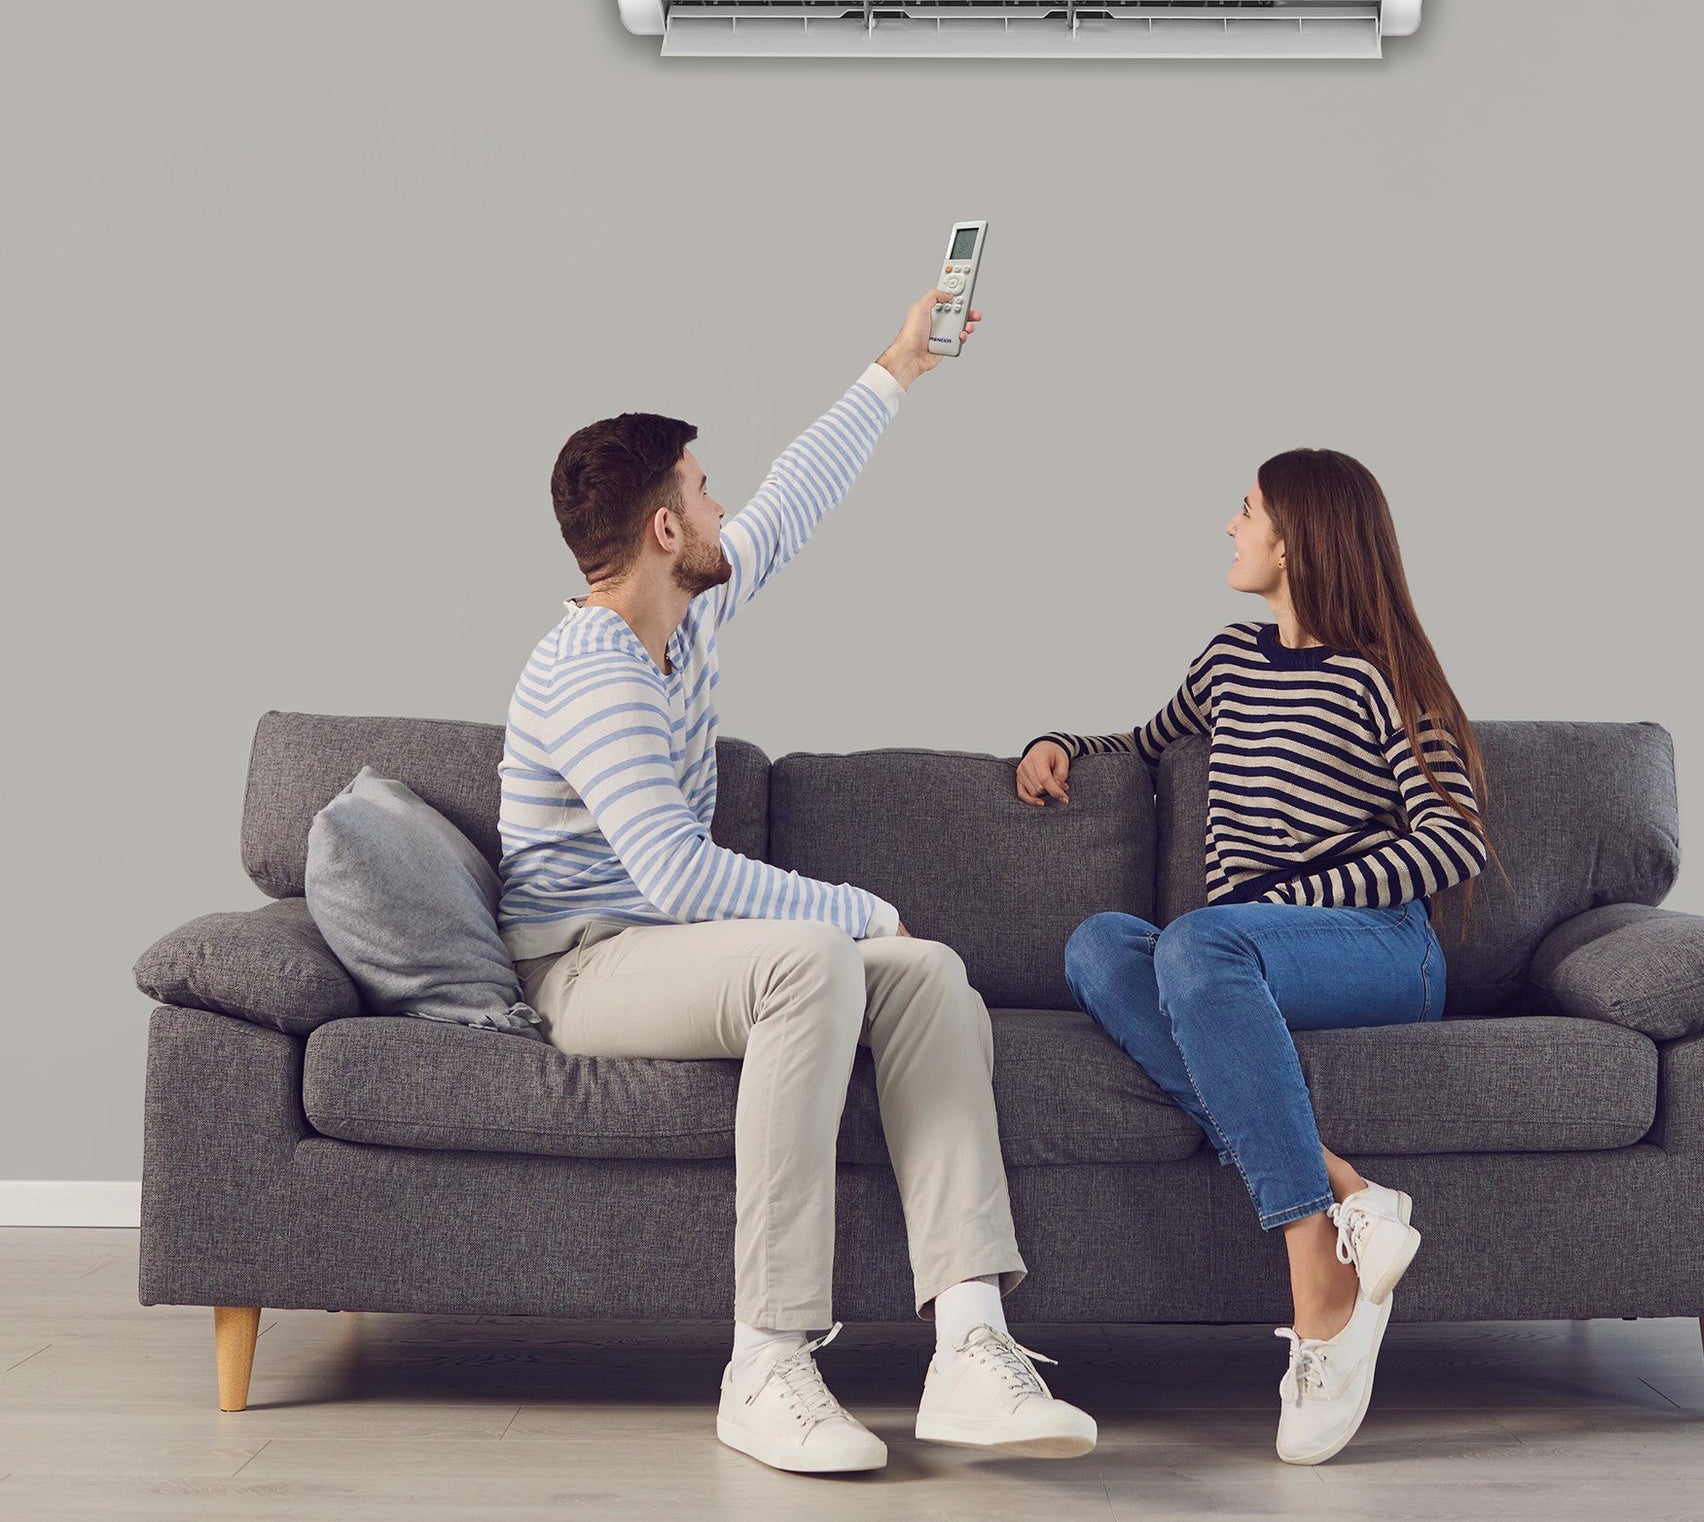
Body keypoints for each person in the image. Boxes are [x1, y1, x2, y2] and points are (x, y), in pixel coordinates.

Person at [498, 287, 1095, 1475]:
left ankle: (971, 1340)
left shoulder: (694, 608)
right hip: (583, 959)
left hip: (664, 950)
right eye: (701, 488)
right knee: (815, 951)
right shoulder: (591, 667)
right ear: (665, 528)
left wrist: (899, 365)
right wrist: (856, 906)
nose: (723, 504)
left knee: (924, 974)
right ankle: (762, 1358)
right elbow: (669, 870)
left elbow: (798, 493)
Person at [1018, 448, 1493, 1467]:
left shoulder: (1384, 675)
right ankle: (1347, 1193)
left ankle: (1315, 1278)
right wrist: (1058, 742)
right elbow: (1142, 739)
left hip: (1376, 949)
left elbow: (1452, 840)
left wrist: (1287, 899)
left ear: (1296, 538)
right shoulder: (1228, 658)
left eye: (1243, 511)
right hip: (1230, 953)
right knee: (1099, 944)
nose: (1227, 527)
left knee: (1200, 936)